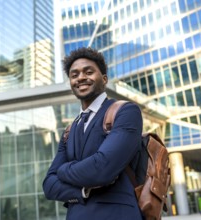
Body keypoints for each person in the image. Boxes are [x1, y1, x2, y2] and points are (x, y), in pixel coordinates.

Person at [43, 47, 143, 220]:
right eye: (74, 75)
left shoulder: (125, 112)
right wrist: (83, 191)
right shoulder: (70, 129)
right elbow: (49, 185)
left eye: (88, 72)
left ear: (104, 79)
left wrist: (63, 169)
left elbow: (102, 168)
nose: (81, 77)